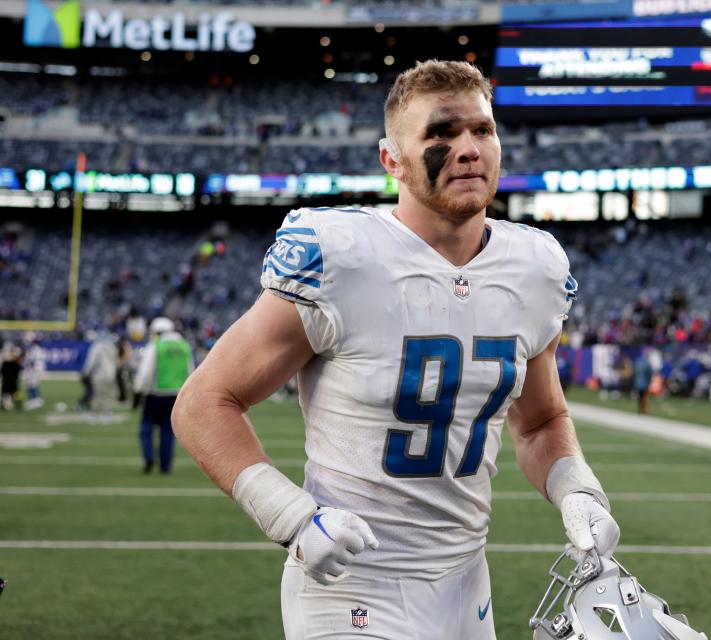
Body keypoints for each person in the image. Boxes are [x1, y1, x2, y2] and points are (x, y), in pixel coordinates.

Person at [172, 60, 620, 640]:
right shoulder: (342, 255)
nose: (467, 149)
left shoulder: (535, 267)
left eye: (481, 131)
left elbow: (539, 424)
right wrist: (291, 516)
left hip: (466, 584)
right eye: (441, 134)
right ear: (392, 160)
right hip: (351, 580)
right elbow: (205, 400)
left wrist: (575, 490)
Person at [134, 317, 193, 474]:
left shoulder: (156, 346)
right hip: (176, 395)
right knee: (168, 431)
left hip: (156, 394)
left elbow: (146, 373)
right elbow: (191, 372)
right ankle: (165, 466)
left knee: (146, 429)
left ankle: (149, 457)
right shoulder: (184, 346)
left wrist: (138, 390)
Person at [82, 331, 119, 422]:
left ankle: (94, 414)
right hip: (111, 374)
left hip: (99, 374)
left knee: (98, 395)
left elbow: (91, 362)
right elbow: (115, 360)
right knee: (108, 395)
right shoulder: (112, 346)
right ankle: (107, 414)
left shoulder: (96, 347)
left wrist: (86, 372)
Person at [633, 349, 653, 414]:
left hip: (637, 382)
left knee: (639, 397)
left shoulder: (638, 362)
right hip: (644, 383)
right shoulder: (647, 363)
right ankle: (643, 410)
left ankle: (640, 409)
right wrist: (649, 382)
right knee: (644, 397)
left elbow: (635, 372)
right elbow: (650, 374)